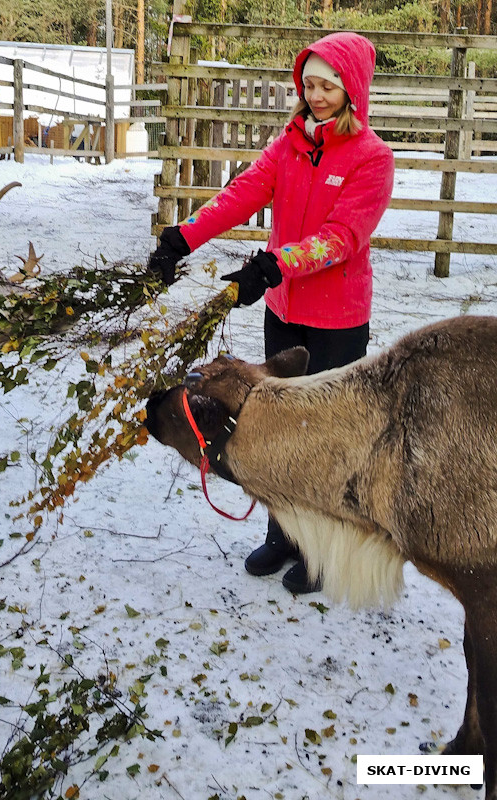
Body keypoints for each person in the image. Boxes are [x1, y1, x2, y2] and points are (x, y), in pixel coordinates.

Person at [148, 31, 395, 594]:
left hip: (336, 317)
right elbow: (243, 192)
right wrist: (184, 239)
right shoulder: (288, 146)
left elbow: (343, 237)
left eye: (328, 85)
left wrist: (274, 264)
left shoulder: (372, 158)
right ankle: (282, 533)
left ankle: (321, 550)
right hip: (284, 310)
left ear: (351, 89)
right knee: (277, 428)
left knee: (326, 439)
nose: (317, 95)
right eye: (309, 84)